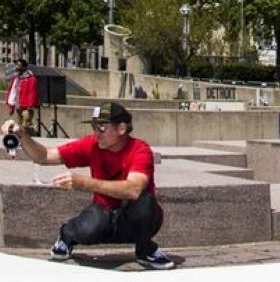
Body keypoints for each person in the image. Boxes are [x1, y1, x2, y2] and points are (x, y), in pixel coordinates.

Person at [2, 101, 173, 269]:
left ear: (121, 129)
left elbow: (133, 189)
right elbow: (44, 156)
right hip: (103, 213)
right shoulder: (92, 144)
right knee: (89, 228)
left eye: (102, 127)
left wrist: (84, 183)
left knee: (146, 205)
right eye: (94, 126)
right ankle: (67, 235)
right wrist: (22, 135)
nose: (96, 133)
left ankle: (145, 249)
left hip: (131, 215)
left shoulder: (139, 149)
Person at [5, 59, 39, 136]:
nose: (17, 67)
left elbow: (32, 92)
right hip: (18, 105)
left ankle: (34, 138)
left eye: (19, 65)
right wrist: (12, 107)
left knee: (26, 124)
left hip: (27, 106)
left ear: (24, 67)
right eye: (16, 65)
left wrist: (30, 105)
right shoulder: (16, 78)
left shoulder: (31, 79)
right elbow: (13, 92)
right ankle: (25, 140)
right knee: (20, 125)